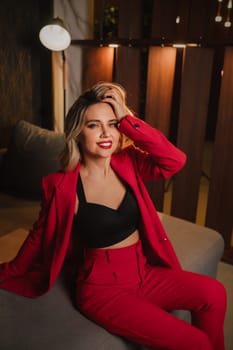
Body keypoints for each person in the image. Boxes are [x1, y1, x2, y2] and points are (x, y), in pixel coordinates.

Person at [0, 82, 226, 349]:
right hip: (102, 290)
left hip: (144, 273)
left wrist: (128, 119)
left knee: (214, 293)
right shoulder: (61, 186)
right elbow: (39, 236)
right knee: (196, 342)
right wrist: (10, 271)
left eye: (113, 123)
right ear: (77, 132)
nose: (106, 133)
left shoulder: (127, 162)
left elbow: (174, 160)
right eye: (94, 125)